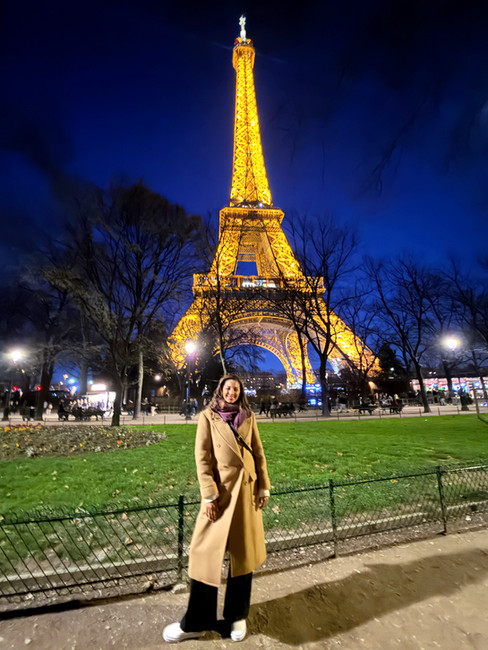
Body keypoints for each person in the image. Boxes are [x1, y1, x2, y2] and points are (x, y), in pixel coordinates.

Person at [163, 374, 270, 643]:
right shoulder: (207, 417)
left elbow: (258, 452)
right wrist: (209, 497)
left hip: (245, 492)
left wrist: (263, 486)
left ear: (240, 392)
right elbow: (202, 458)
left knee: (242, 557)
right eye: (227, 388)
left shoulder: (249, 416)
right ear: (220, 391)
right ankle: (196, 621)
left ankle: (237, 616)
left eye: (236, 388)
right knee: (203, 555)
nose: (231, 392)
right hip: (220, 496)